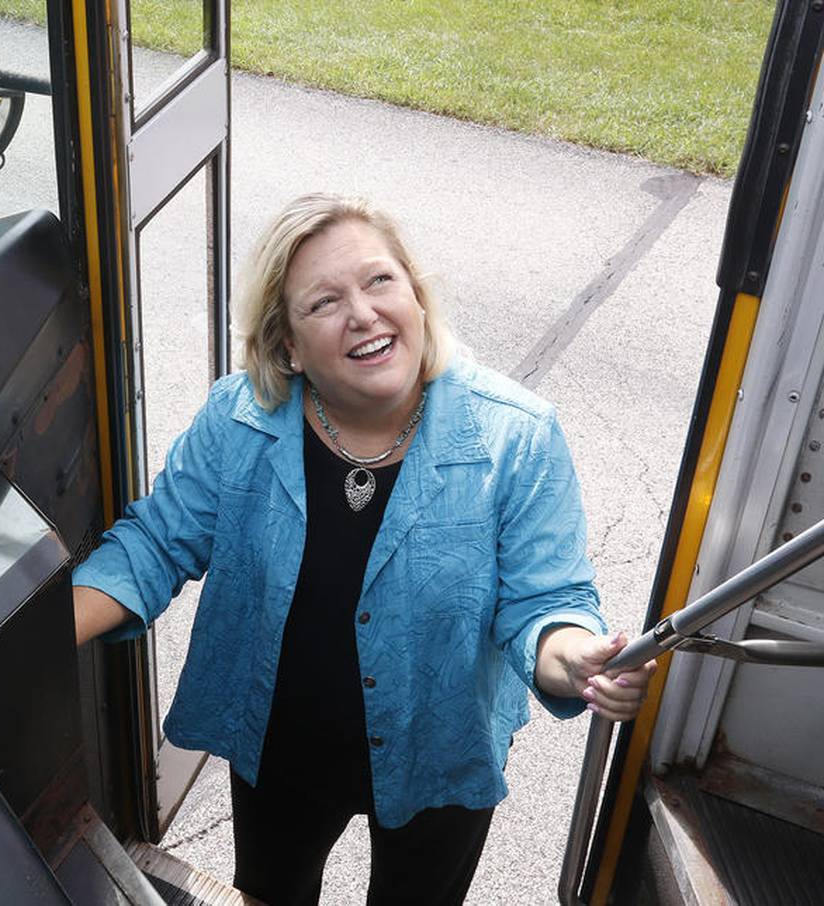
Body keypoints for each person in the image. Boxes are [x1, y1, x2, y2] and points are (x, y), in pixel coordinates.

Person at [71, 194, 656, 906]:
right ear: (287, 344)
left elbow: (547, 603)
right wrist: (30, 637)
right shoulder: (238, 420)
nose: (364, 313)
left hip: (440, 757)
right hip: (280, 749)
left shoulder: (518, 437)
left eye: (380, 281)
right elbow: (157, 541)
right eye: (323, 302)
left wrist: (579, 660)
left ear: (414, 292)